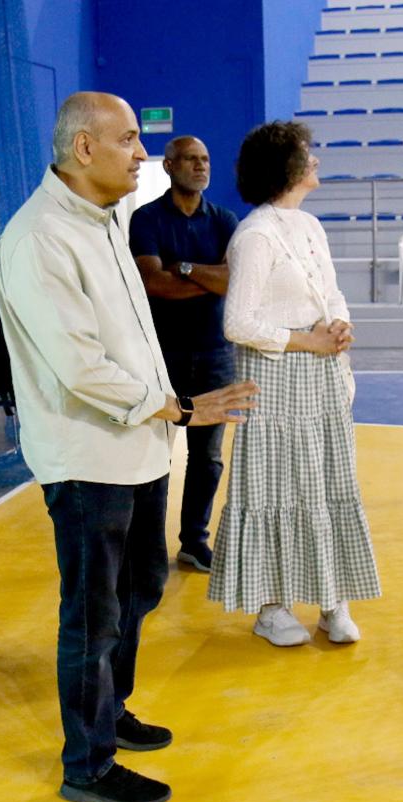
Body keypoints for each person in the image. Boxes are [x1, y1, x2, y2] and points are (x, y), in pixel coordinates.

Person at [0, 92, 257, 802]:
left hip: (137, 450)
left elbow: (132, 337)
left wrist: (163, 411)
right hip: (88, 461)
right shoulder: (40, 237)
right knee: (91, 613)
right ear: (84, 149)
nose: (144, 155)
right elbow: (79, 366)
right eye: (131, 140)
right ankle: (88, 762)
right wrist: (178, 406)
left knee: (140, 589)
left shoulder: (104, 221)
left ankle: (114, 709)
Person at [207, 121, 382, 647]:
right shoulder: (255, 235)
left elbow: (330, 295)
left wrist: (341, 327)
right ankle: (270, 607)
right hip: (277, 378)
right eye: (308, 155)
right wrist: (309, 341)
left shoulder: (309, 227)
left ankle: (333, 602)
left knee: (329, 485)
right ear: (285, 167)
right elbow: (237, 324)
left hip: (322, 378)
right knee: (273, 488)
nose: (317, 162)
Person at [129, 135, 240, 573]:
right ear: (170, 166)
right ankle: (148, 547)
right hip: (162, 355)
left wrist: (187, 268)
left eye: (206, 159)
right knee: (155, 455)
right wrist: (210, 278)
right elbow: (152, 283)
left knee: (208, 458)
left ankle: (194, 541)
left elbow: (237, 281)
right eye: (191, 159)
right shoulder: (146, 219)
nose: (200, 166)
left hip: (215, 354)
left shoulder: (225, 220)